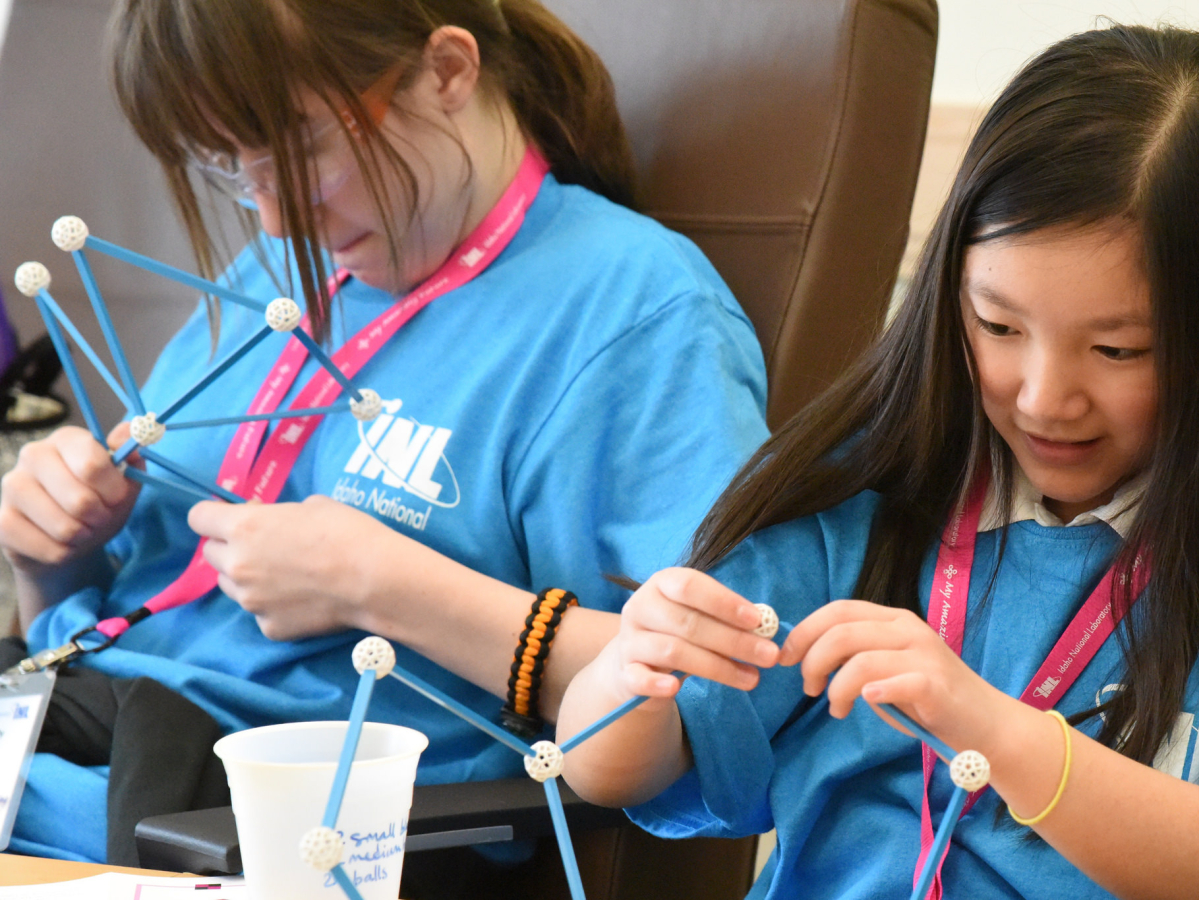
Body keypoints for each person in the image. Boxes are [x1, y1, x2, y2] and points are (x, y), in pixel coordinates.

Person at [558, 24, 1199, 900]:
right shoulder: (879, 476)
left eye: (1120, 349)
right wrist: (633, 667)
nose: (1045, 398)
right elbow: (610, 771)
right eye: (999, 327)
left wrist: (987, 726)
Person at [0, 0, 768, 865]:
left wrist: (381, 583)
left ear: (446, 71)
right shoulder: (283, 274)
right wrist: (49, 551)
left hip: (248, 827)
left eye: (299, 150)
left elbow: (708, 695)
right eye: (231, 168)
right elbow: (110, 628)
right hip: (63, 753)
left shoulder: (636, 309)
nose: (276, 219)